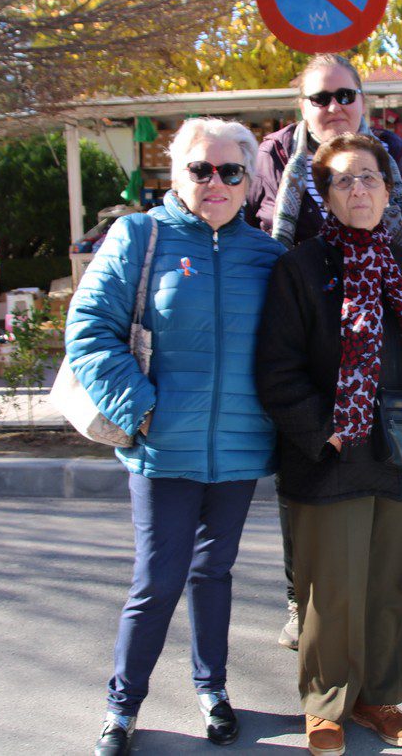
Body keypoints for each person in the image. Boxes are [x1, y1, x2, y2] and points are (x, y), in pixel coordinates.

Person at [66, 118, 286, 755]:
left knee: (214, 573)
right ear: (177, 174)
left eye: (230, 171)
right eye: (200, 169)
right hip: (161, 447)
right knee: (157, 580)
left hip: (241, 448)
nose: (214, 182)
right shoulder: (140, 236)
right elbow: (89, 330)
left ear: (248, 180)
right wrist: (139, 411)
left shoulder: (268, 256)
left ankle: (212, 691)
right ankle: (122, 705)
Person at [255, 132, 402, 756]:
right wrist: (326, 434)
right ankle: (325, 705)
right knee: (332, 585)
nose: (360, 189)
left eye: (369, 177)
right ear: (324, 195)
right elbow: (278, 369)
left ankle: (380, 697)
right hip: (334, 454)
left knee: (394, 583)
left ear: (386, 187)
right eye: (344, 180)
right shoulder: (301, 268)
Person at [246, 53, 402, 651]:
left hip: (381, 325)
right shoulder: (270, 157)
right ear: (300, 105)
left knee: (376, 470)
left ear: (363, 99)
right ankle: (304, 598)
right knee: (304, 470)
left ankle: (369, 602)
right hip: (302, 326)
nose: (333, 107)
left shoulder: (392, 155)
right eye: (319, 98)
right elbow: (251, 230)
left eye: (344, 94)